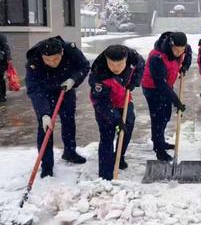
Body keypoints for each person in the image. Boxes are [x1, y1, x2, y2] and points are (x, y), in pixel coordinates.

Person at [25, 36, 90, 177]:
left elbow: (84, 66)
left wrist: (74, 79)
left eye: (55, 59)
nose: (51, 63)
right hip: (44, 92)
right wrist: (44, 114)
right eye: (47, 60)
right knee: (45, 127)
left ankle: (69, 152)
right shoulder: (34, 61)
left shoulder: (70, 51)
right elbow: (34, 89)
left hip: (65, 88)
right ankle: (47, 166)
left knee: (68, 120)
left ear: (61, 52)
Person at [89, 45, 145, 180]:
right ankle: (105, 174)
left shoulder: (132, 56)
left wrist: (134, 82)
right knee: (107, 135)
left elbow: (141, 65)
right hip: (104, 105)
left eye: (120, 64)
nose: (116, 68)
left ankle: (119, 157)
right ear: (106, 60)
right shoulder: (99, 72)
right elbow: (101, 102)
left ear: (126, 59)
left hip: (124, 98)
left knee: (127, 128)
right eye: (112, 64)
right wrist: (116, 119)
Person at [142, 31, 191, 161]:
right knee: (158, 118)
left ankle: (160, 141)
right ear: (170, 45)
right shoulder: (157, 57)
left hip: (166, 85)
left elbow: (189, 51)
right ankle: (159, 149)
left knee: (165, 116)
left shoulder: (183, 48)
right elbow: (160, 84)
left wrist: (185, 66)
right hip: (152, 88)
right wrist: (177, 102)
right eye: (176, 50)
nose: (179, 53)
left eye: (181, 50)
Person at [0, 34, 12, 102]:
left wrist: (9, 58)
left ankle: (2, 96)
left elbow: (6, 47)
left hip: (1, 61)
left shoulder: (1, 36)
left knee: (0, 79)